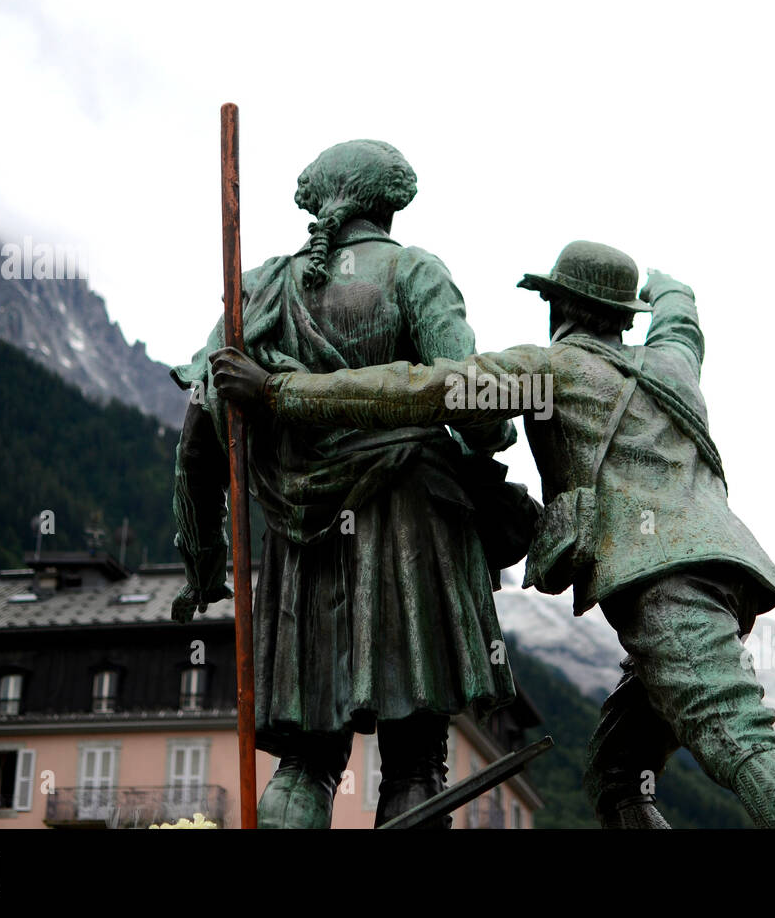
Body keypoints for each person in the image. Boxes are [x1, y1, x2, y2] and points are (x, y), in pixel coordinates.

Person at [211, 240, 775, 829]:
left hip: (663, 585)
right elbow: (683, 317)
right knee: (619, 776)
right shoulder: (675, 365)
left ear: (559, 305)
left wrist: (280, 393)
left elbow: (424, 388)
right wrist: (664, 286)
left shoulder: (551, 374)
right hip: (728, 572)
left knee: (740, 745)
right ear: (622, 315)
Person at [170, 140, 517, 828]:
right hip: (410, 524)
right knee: (417, 762)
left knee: (305, 765)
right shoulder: (415, 272)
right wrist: (495, 435)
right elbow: (471, 398)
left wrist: (205, 557)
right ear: (386, 206)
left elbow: (200, 426)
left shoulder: (262, 289)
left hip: (304, 546)